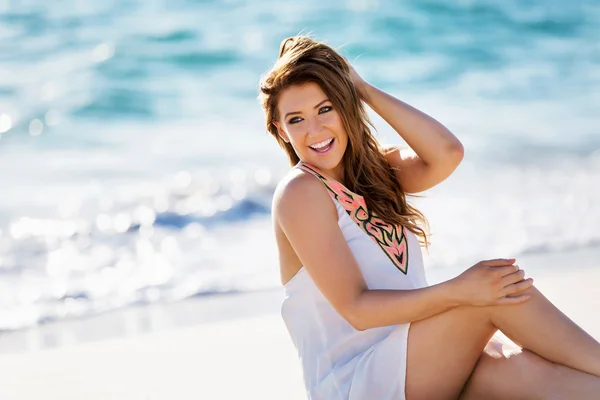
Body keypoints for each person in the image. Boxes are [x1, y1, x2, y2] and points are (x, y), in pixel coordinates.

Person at [258, 35, 600, 400]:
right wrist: (458, 291)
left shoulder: (376, 174)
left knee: (538, 376)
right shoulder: (301, 193)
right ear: (281, 130)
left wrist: (361, 87)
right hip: (358, 382)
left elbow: (447, 153)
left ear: (346, 107)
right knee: (498, 291)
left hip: (419, 359)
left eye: (326, 109)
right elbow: (357, 309)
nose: (315, 130)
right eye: (296, 119)